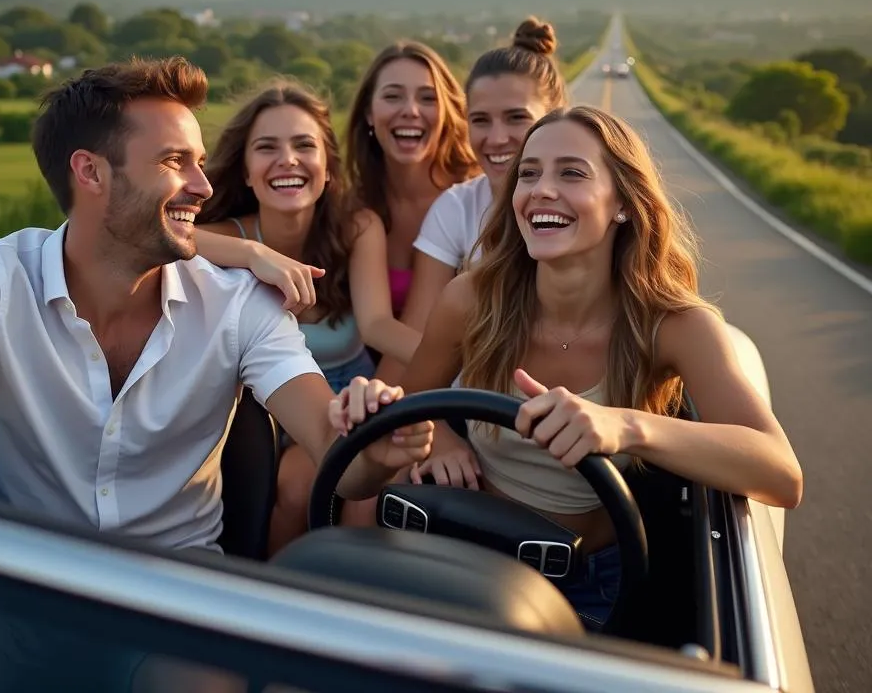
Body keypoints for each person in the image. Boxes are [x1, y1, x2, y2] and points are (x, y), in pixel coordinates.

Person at [0, 57, 433, 693]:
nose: (204, 186)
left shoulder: (242, 306)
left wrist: (377, 444)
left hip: (174, 600)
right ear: (90, 171)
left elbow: (337, 453)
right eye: (173, 162)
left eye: (200, 161)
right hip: (14, 590)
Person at [332, 105, 802, 630]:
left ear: (623, 203)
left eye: (571, 173)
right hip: (461, 556)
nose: (542, 189)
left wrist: (625, 426)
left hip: (586, 584)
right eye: (528, 174)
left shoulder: (673, 325)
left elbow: (781, 474)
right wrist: (394, 431)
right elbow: (386, 445)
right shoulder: (470, 299)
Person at [194, 82, 422, 551]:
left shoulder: (357, 227)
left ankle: (357, 605)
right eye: (267, 148)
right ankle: (271, 596)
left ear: (327, 167)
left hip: (351, 400)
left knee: (370, 495)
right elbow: (167, 240)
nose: (288, 160)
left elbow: (378, 325)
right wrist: (252, 252)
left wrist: (472, 364)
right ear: (247, 170)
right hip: (269, 418)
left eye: (304, 145)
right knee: (298, 489)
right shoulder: (223, 238)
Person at [401, 16, 568, 333]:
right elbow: (418, 335)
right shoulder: (456, 208)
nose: (496, 138)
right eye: (480, 120)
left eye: (516, 117)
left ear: (555, 113)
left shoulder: (583, 209)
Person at [344, 41, 479, 383]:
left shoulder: (474, 200)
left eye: (427, 98)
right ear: (369, 114)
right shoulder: (352, 209)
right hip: (372, 380)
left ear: (449, 111)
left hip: (467, 380)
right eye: (393, 96)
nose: (411, 110)